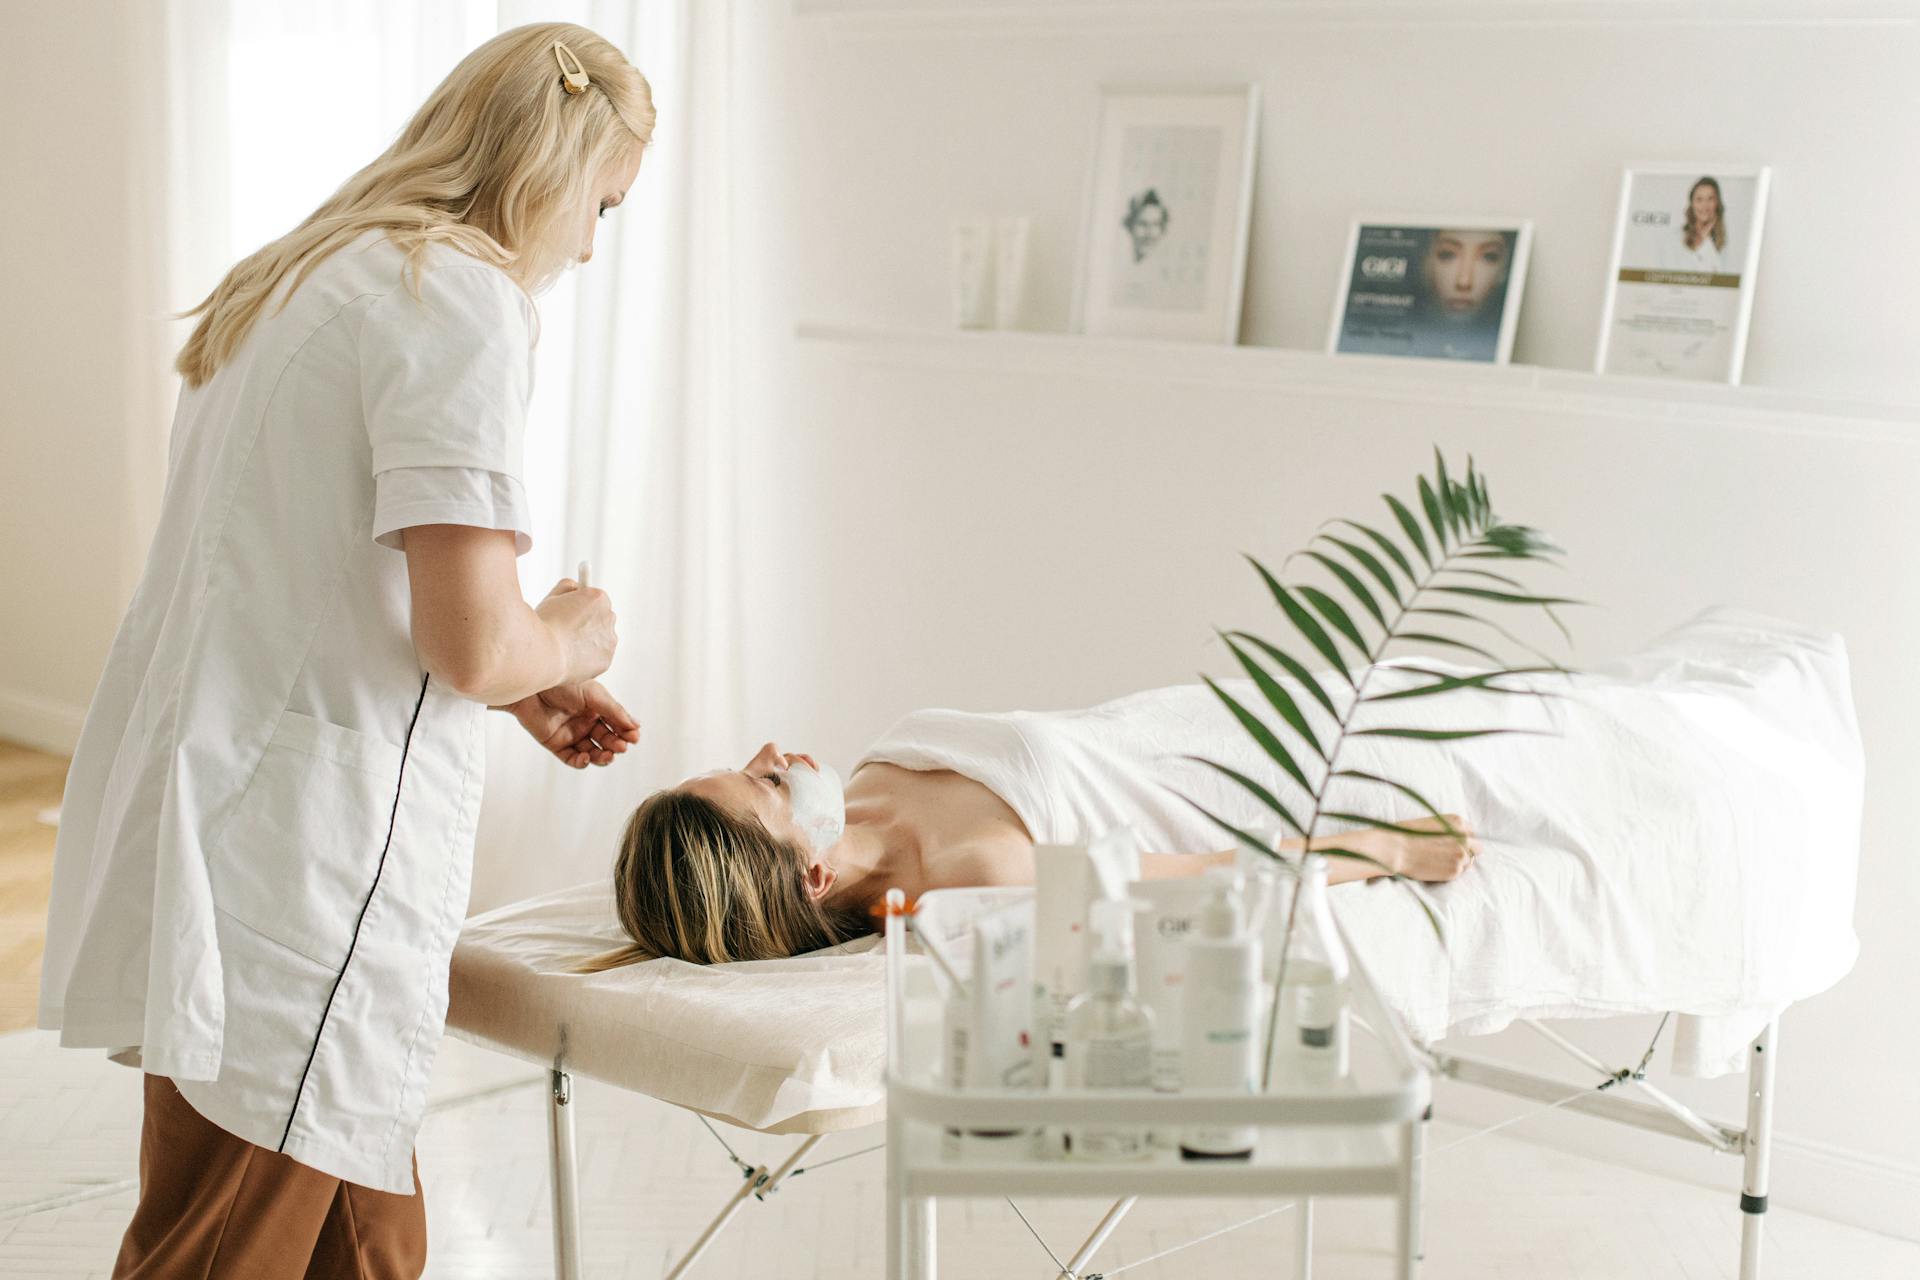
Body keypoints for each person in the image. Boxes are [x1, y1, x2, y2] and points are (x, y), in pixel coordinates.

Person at [36, 24, 653, 1279]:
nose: (590, 245)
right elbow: (473, 639)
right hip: (304, 863)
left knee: (368, 1242)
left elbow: (326, 580)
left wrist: (531, 680)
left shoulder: (311, 275)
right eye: (601, 205)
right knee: (227, 1247)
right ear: (548, 168)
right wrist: (573, 631)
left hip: (233, 806)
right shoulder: (462, 298)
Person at [604, 682, 1481, 967]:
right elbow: (1214, 878)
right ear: (813, 878)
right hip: (1290, 783)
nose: (771, 750)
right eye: (764, 783)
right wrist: (1391, 847)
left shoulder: (868, 779)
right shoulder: (979, 880)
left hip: (1228, 712)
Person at [1660, 176, 1728, 274]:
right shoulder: (1674, 238)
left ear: (1717, 203)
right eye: (1699, 199)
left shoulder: (1724, 241)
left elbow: (1719, 276)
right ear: (1692, 204)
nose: (1705, 205)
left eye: (1710, 199)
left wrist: (1705, 239)